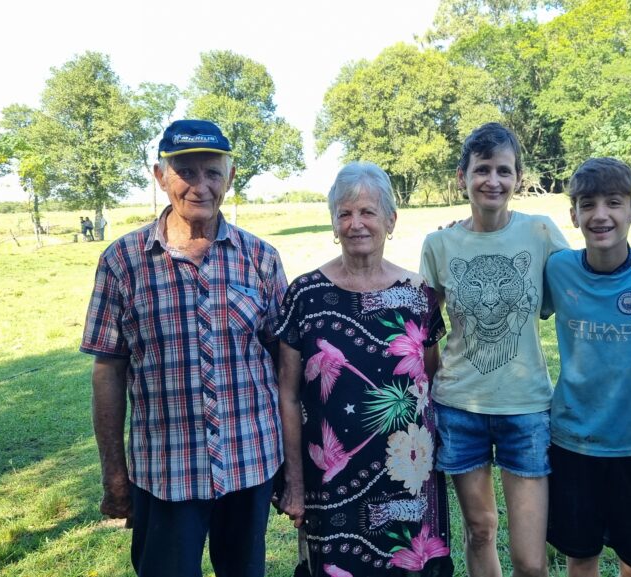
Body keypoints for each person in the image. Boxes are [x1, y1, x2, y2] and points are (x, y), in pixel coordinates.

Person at [81, 119, 288, 577]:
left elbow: (283, 364)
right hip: (165, 472)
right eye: (186, 172)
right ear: (160, 176)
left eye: (212, 172)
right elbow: (107, 370)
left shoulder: (261, 258)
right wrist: (114, 473)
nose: (200, 185)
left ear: (230, 178)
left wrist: (291, 466)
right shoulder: (123, 261)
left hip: (250, 462)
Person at [275, 161, 454, 577]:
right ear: (333, 224)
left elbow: (432, 378)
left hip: (409, 474)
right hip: (330, 480)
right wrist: (295, 483)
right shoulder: (304, 295)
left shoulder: (418, 294)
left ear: (391, 221)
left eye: (368, 212)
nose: (356, 224)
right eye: (345, 213)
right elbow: (287, 394)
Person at [419, 123, 569, 577]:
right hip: (459, 407)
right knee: (480, 530)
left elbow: (585, 286)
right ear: (462, 176)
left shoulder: (540, 233)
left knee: (531, 560)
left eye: (504, 170)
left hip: (526, 408)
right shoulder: (439, 244)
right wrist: (431, 387)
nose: (493, 180)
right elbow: (423, 330)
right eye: (482, 169)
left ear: (518, 178)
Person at [543, 158, 631, 577]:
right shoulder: (558, 268)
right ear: (573, 215)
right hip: (571, 441)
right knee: (580, 555)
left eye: (614, 203)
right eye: (588, 204)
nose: (600, 215)